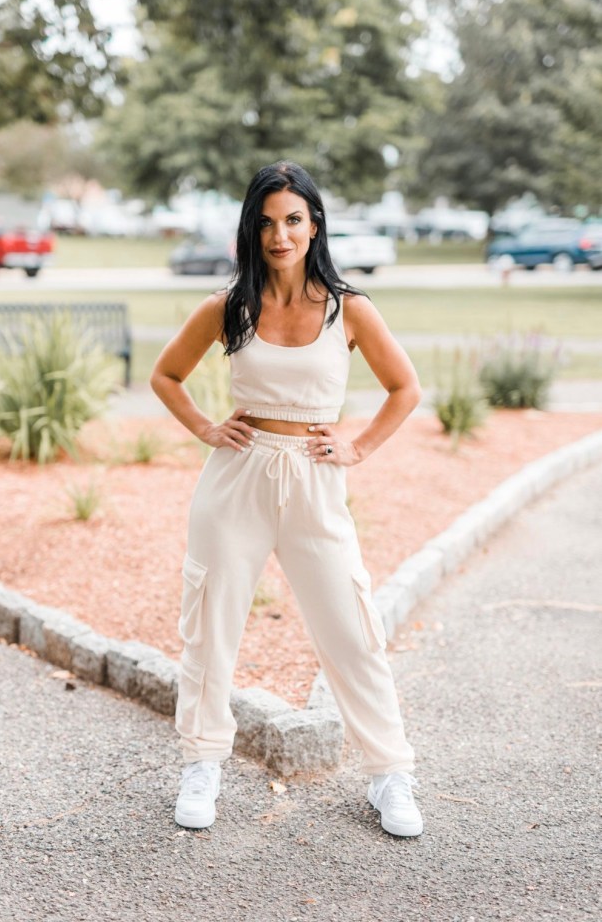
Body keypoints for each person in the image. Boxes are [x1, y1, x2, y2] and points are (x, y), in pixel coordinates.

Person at [150, 160, 423, 837]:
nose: (280, 235)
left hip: (314, 482)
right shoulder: (228, 307)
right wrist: (207, 429)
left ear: (314, 225)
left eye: (293, 220)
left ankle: (390, 773)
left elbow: (405, 388)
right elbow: (166, 375)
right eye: (267, 222)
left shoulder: (348, 309)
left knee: (352, 629)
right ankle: (202, 763)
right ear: (252, 229)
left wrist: (358, 448)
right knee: (210, 626)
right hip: (236, 480)